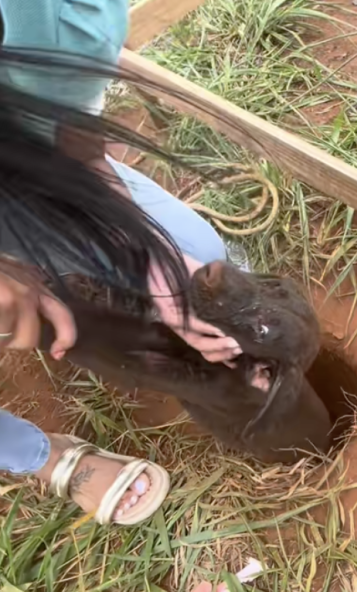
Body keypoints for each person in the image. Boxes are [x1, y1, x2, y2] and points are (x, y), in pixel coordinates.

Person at [0, 0, 246, 526]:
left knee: (198, 254)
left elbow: (80, 154)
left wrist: (157, 264)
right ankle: (37, 454)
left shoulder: (50, 22)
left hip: (22, 179)